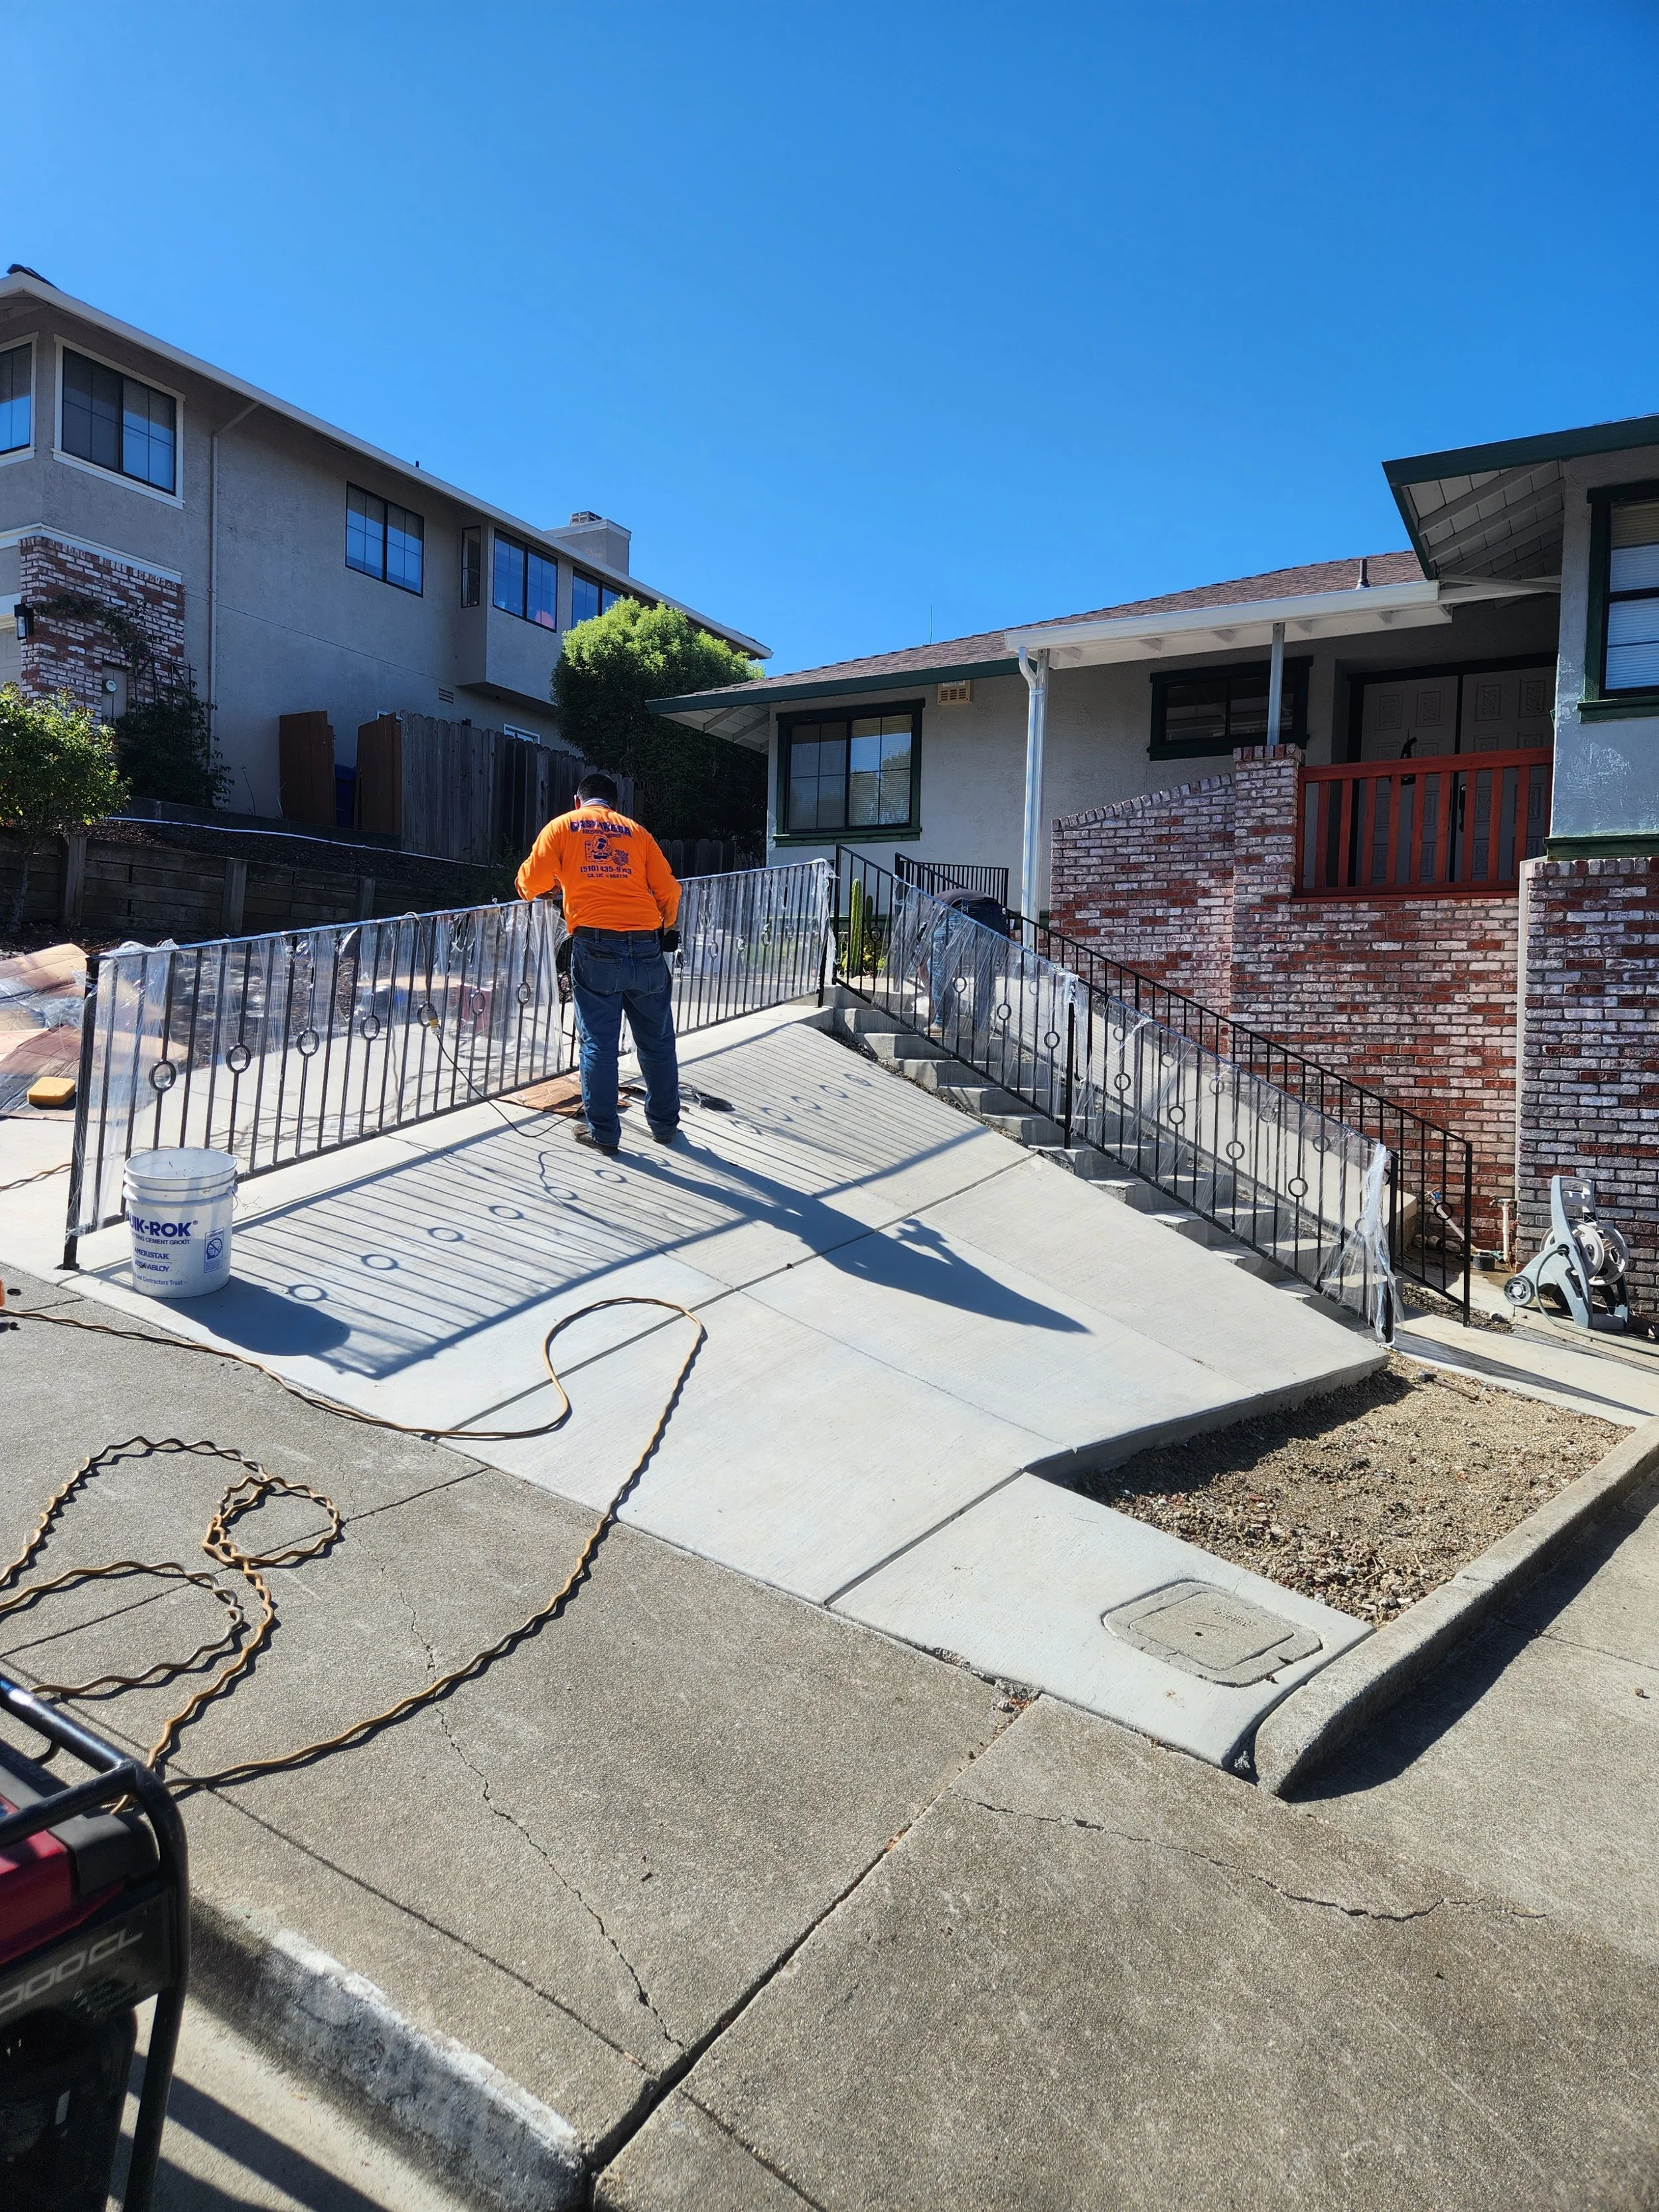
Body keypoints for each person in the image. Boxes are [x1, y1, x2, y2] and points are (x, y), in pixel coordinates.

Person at [516, 774, 682, 1154]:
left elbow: (530, 883)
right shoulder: (637, 833)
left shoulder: (561, 827)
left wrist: (554, 883)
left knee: (599, 1045)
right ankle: (664, 1125)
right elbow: (669, 889)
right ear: (613, 804)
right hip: (646, 945)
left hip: (595, 945)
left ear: (579, 801)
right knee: (657, 1042)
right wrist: (666, 924)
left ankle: (605, 1134)